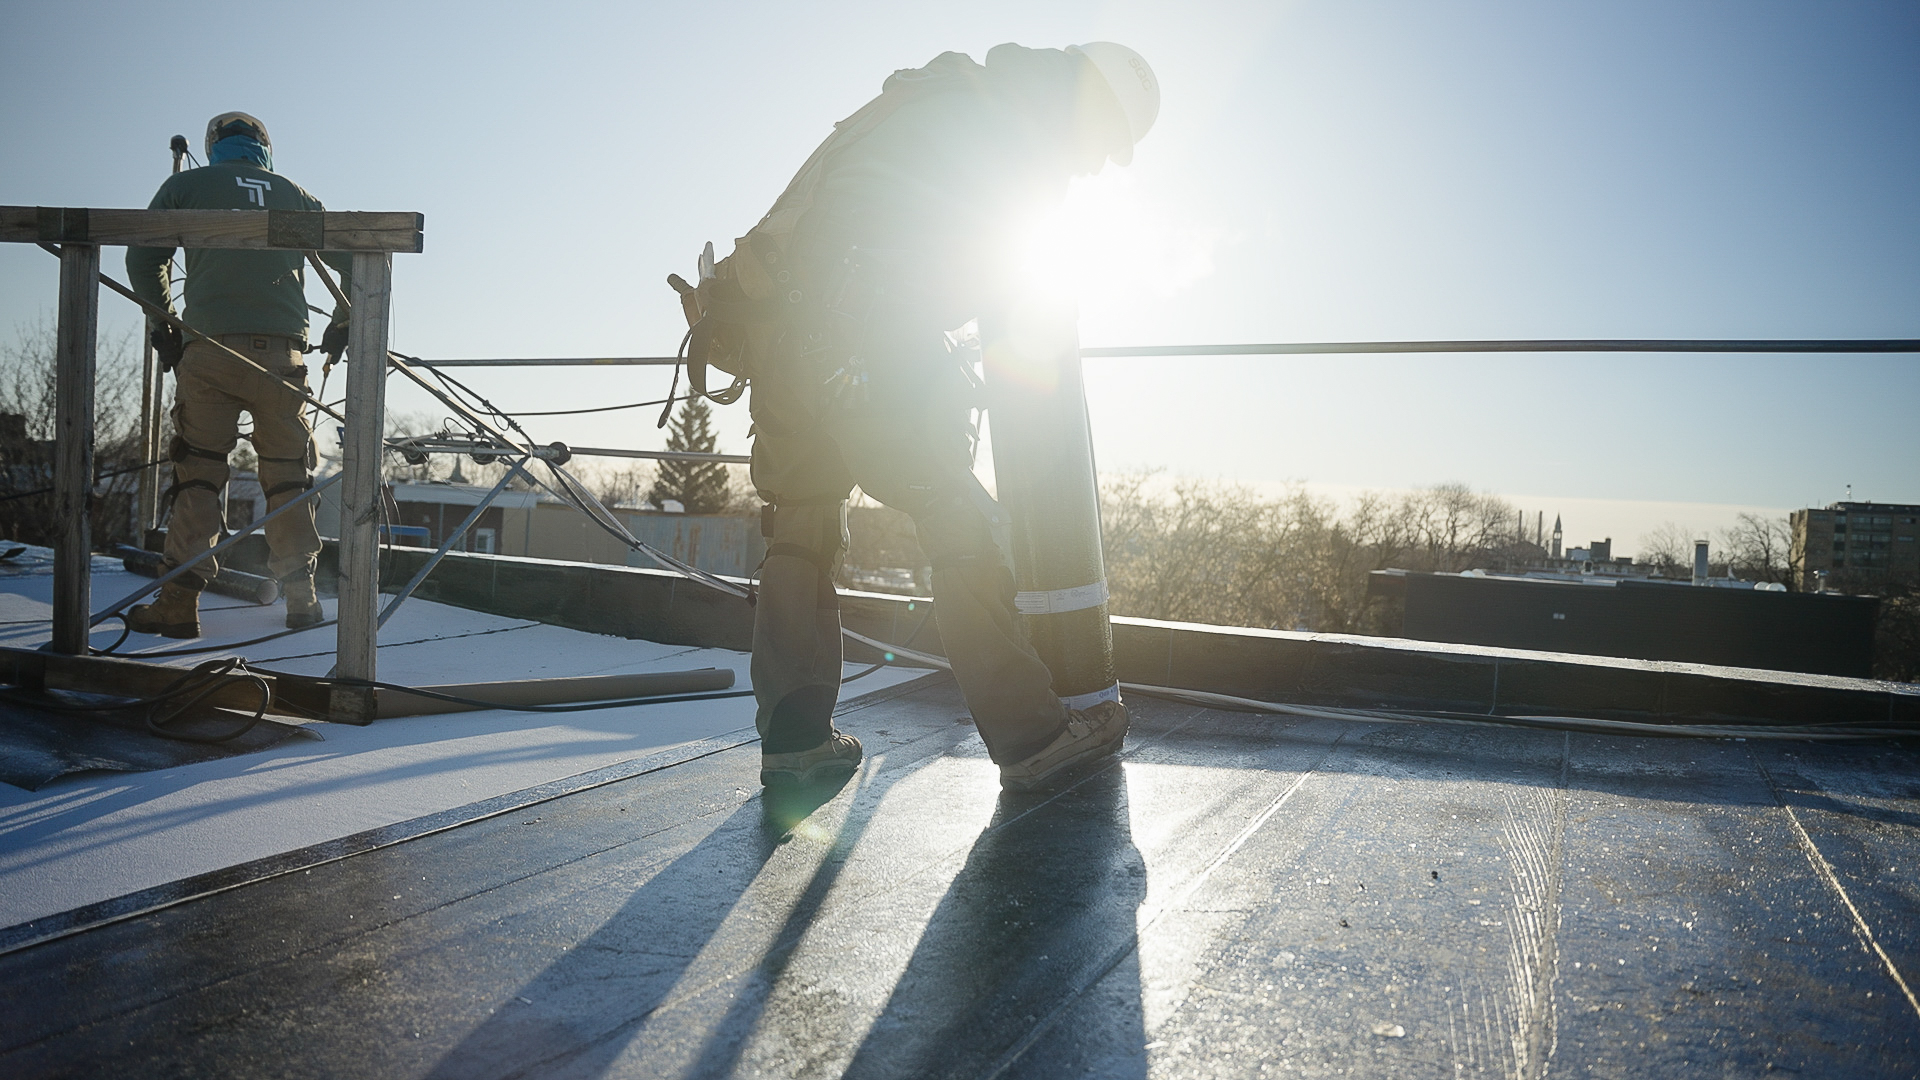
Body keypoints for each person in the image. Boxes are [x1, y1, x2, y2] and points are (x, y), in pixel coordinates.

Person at [693, 43, 1158, 792]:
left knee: (801, 531)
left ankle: (794, 743)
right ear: (1090, 105)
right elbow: (1000, 273)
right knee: (960, 518)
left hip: (780, 345)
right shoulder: (1014, 131)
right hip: (857, 346)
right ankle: (1033, 735)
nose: (1095, 165)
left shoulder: (935, 98)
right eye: (1103, 145)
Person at [124, 112, 351, 638]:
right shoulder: (297, 194)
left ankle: (179, 603)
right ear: (264, 149)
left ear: (213, 147)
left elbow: (144, 259)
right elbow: (357, 261)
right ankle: (302, 600)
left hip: (208, 350)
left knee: (199, 472)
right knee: (288, 475)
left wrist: (164, 325)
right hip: (282, 357)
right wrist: (343, 322)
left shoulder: (185, 185)